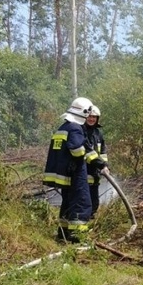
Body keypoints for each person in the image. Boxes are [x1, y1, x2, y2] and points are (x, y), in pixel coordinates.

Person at [43, 97, 107, 243]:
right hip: (75, 174)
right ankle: (78, 237)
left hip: (66, 174)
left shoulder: (64, 127)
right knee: (82, 203)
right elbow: (77, 150)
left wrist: (100, 164)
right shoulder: (75, 128)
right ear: (84, 113)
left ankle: (63, 234)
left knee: (68, 203)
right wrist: (84, 152)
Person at [84, 105, 108, 218]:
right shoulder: (81, 131)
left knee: (94, 203)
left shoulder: (98, 133)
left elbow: (102, 152)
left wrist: (105, 166)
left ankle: (91, 220)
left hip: (95, 174)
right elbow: (88, 152)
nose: (91, 119)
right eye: (89, 116)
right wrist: (102, 165)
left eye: (94, 117)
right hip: (83, 172)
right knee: (84, 202)